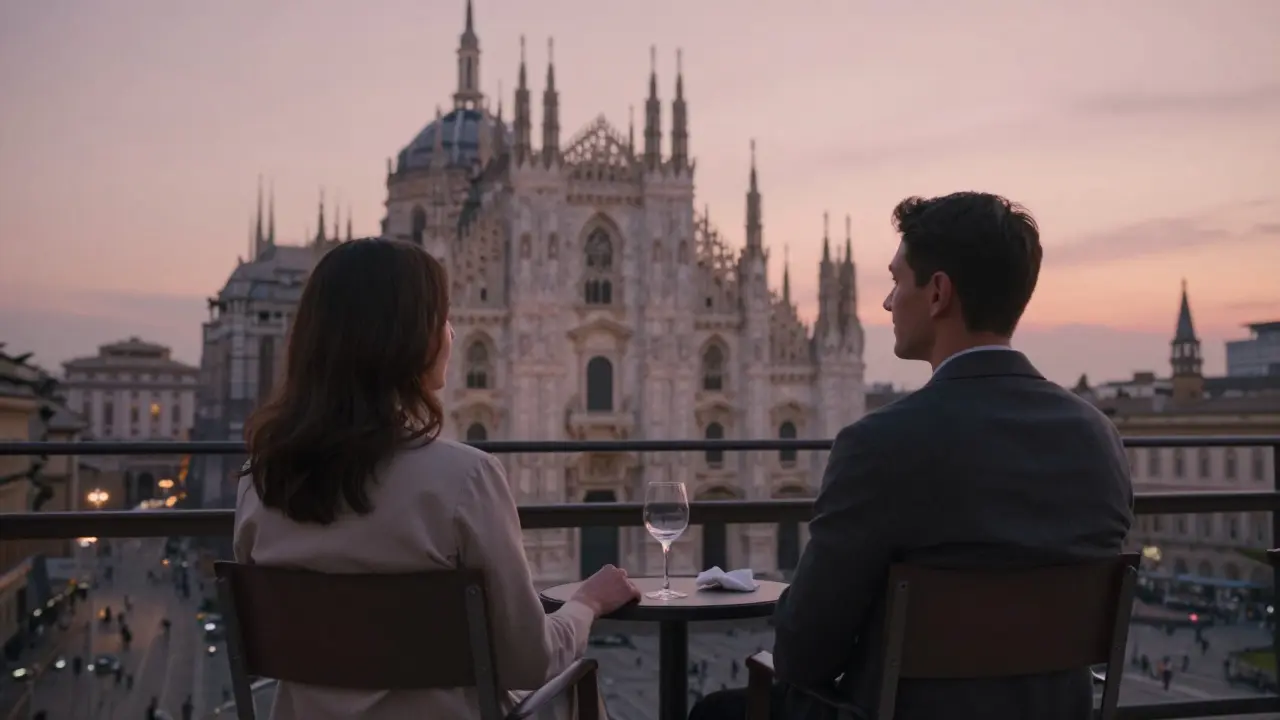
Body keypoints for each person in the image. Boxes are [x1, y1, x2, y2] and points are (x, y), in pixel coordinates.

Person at [690, 193, 1132, 720]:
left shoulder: (880, 445)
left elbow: (802, 654)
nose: (886, 302)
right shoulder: (1100, 440)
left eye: (897, 281)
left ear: (938, 293)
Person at [234, 239, 640, 720]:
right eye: (442, 319)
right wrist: (586, 603)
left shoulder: (259, 481)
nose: (451, 333)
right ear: (415, 340)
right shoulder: (465, 478)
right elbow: (530, 661)